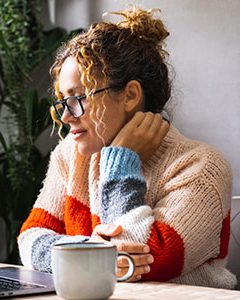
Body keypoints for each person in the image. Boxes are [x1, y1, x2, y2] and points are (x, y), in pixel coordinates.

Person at [17, 5, 237, 289]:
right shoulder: (69, 156)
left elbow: (137, 266)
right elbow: (29, 238)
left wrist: (122, 161)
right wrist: (89, 248)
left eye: (78, 97)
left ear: (131, 95)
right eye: (63, 101)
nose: (66, 116)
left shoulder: (201, 166)